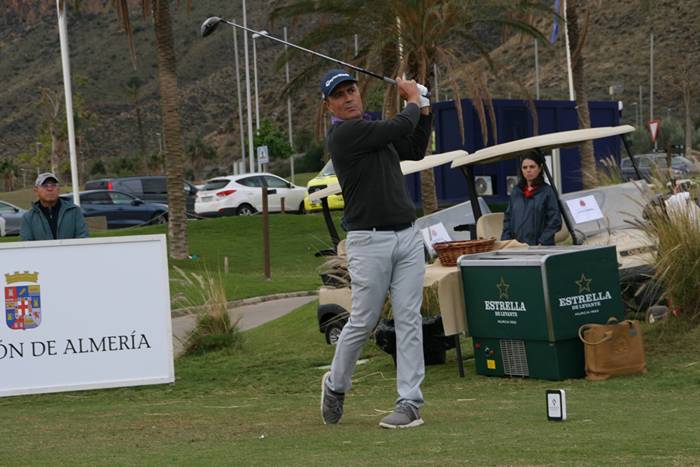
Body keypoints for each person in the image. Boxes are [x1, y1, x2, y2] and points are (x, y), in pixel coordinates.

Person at [319, 69, 432, 429]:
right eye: (340, 95)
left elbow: (412, 147)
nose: (349, 97)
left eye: (352, 90)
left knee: (409, 318)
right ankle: (336, 385)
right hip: (368, 242)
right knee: (364, 320)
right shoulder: (344, 134)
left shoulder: (373, 131)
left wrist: (424, 110)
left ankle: (410, 402)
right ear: (329, 106)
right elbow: (398, 127)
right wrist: (412, 99)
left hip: (407, 236)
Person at [501, 152, 562, 246]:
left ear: (540, 168)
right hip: (516, 248)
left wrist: (542, 242)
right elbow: (508, 219)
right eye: (524, 167)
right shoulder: (516, 192)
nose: (528, 170)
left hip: (540, 248)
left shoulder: (547, 192)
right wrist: (505, 242)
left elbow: (555, 221)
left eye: (532, 167)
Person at [20, 172, 88, 241]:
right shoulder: (28, 217)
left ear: (58, 189)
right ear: (36, 190)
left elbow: (82, 239)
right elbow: (27, 245)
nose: (50, 189)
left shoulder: (74, 211)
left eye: (53, 185)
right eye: (45, 185)